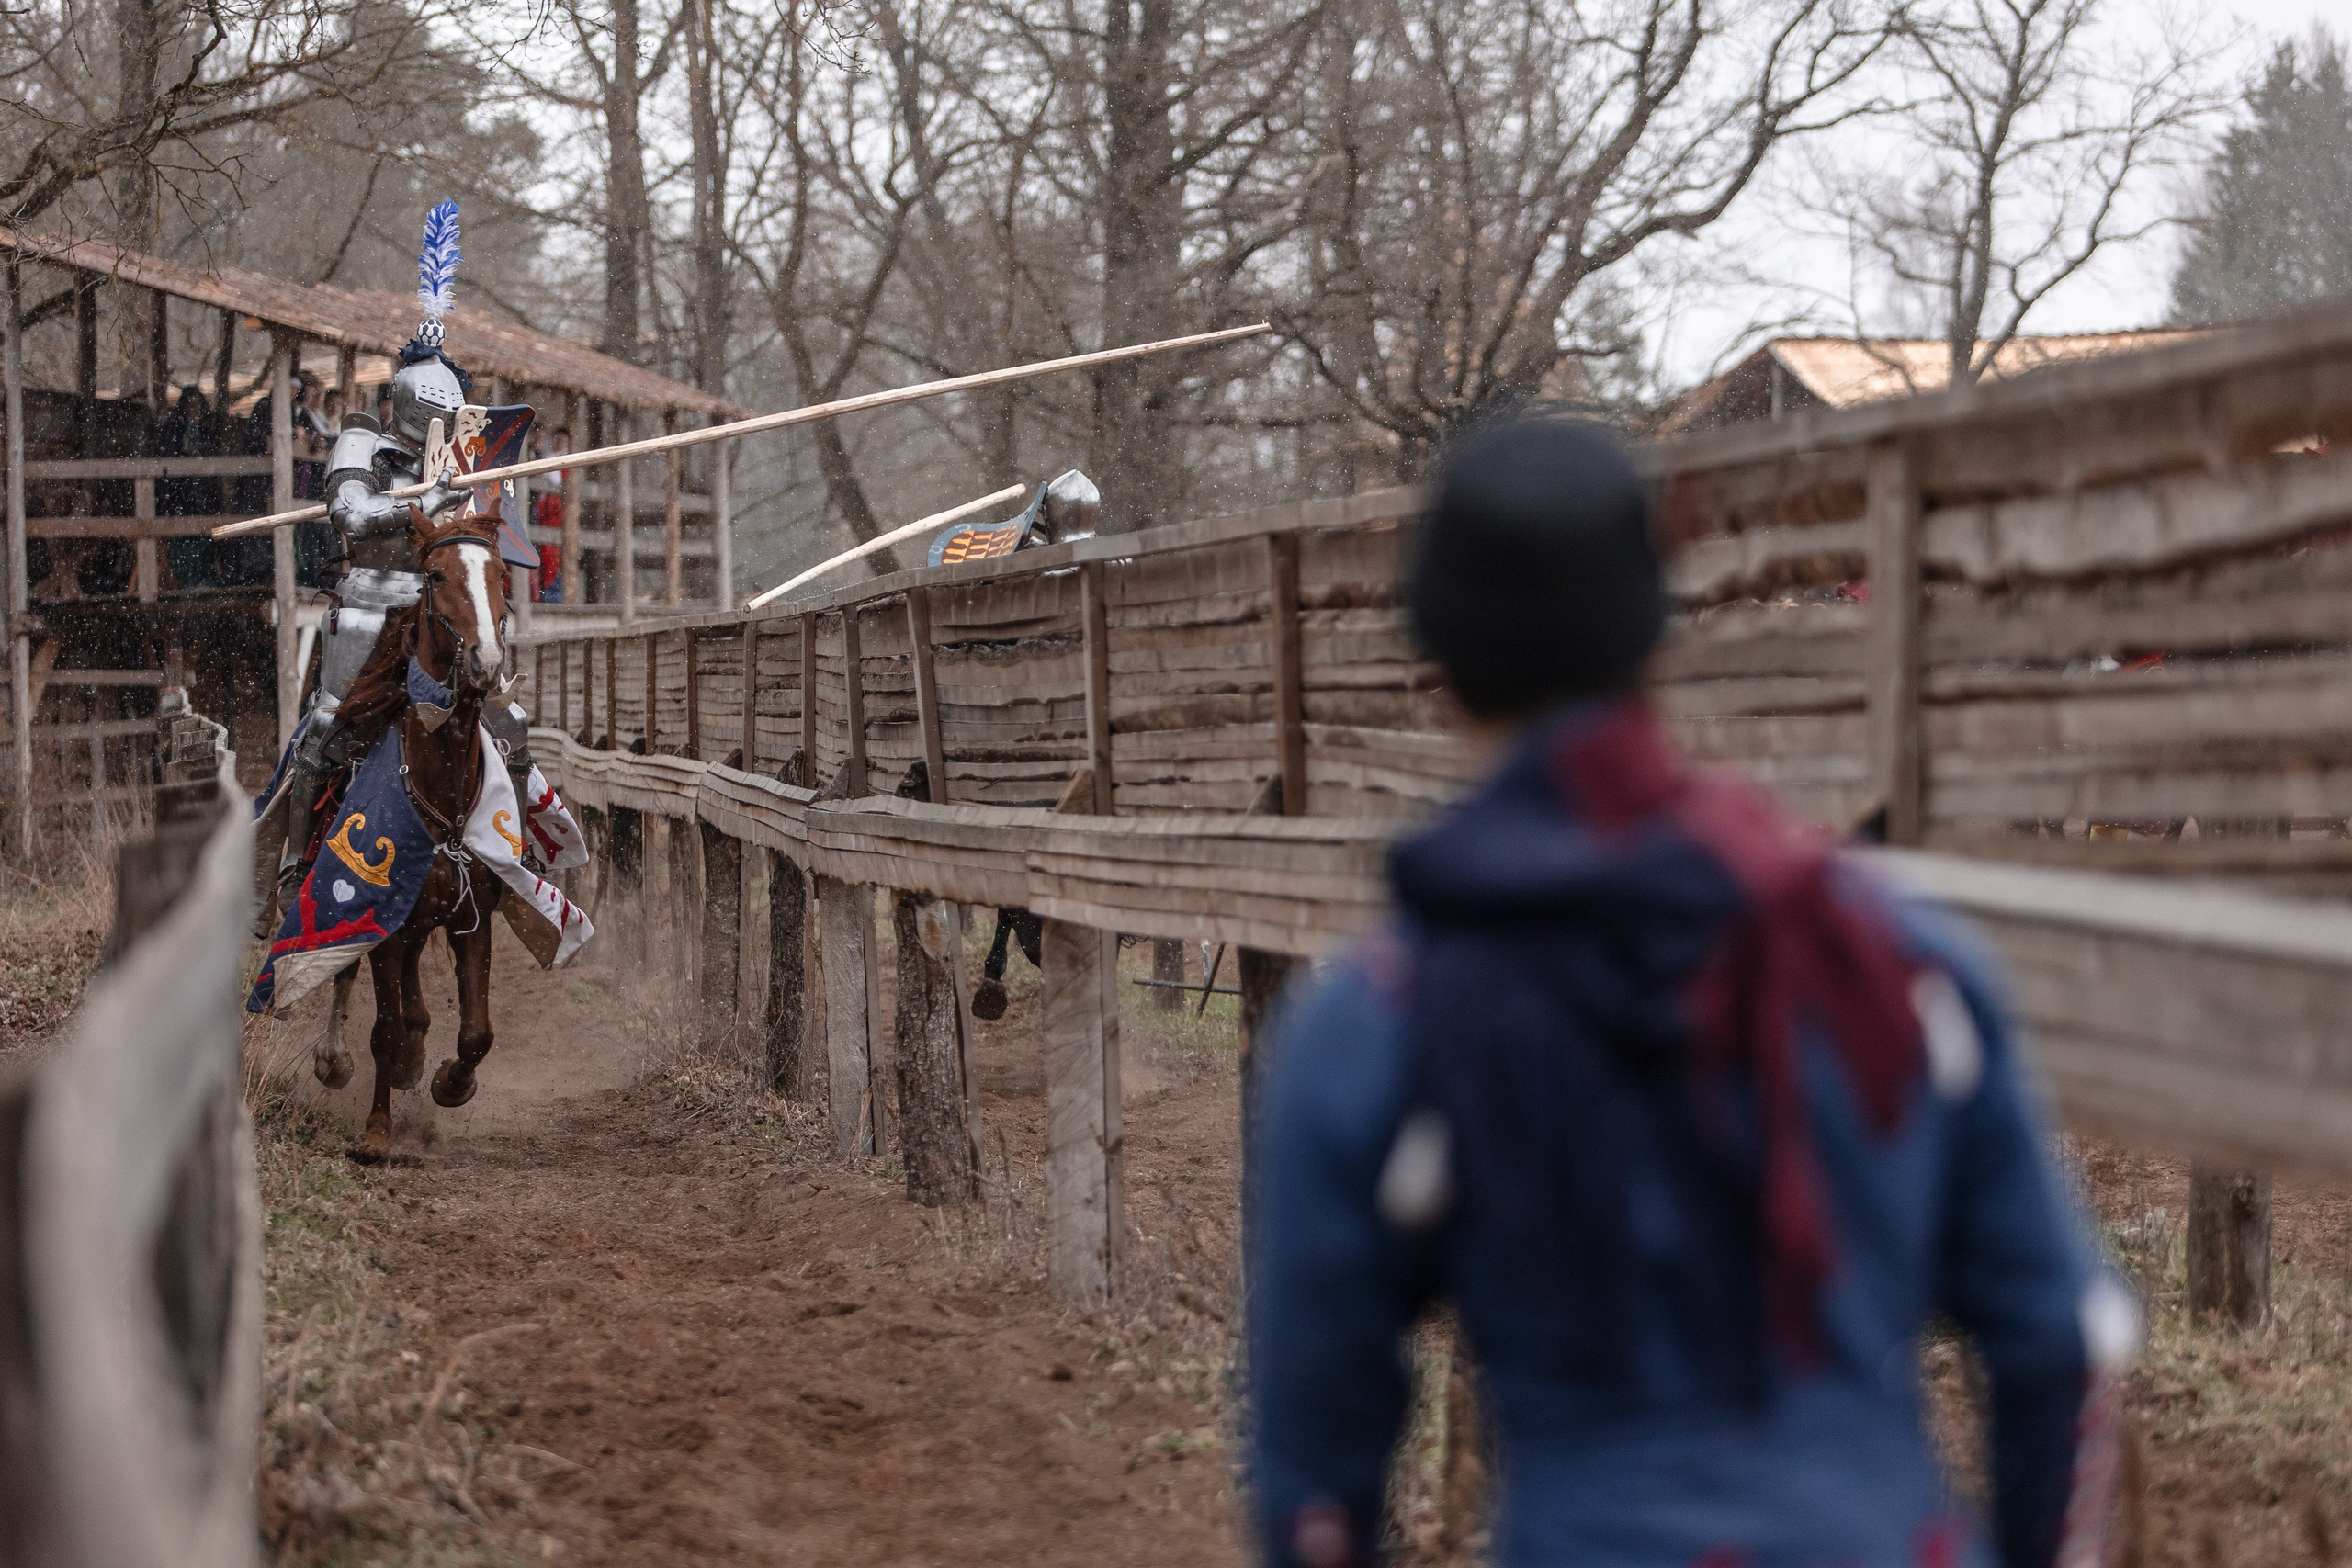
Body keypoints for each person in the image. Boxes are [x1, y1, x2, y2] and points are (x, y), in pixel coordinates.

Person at [1244, 418, 2135, 1568]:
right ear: (1651, 638)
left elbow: (1312, 1458)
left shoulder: (1386, 1020)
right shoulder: (1895, 961)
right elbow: (2065, 1341)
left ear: (1440, 665)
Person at [266, 200, 477, 901]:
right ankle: (294, 865)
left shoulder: (454, 462)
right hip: (364, 607)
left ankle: (496, 855)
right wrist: (425, 500)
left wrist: (464, 498)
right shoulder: (363, 442)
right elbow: (351, 515)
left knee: (494, 721)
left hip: (431, 609)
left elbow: (470, 544)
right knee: (326, 732)